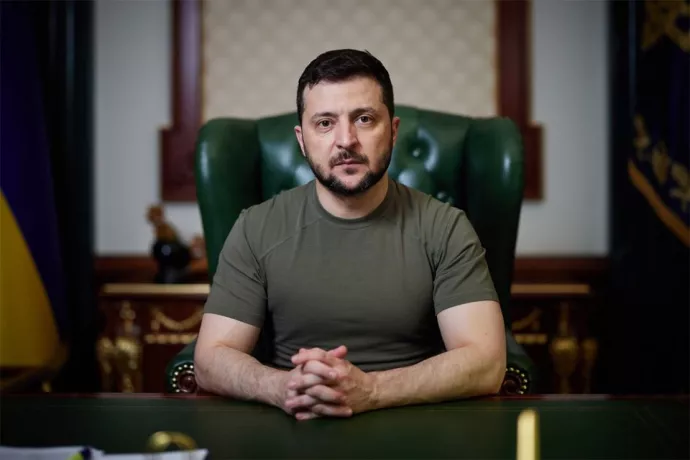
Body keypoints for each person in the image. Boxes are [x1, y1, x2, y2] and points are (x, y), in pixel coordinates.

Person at [194, 49, 506, 420]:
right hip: (291, 424)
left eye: (364, 119)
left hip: (414, 426)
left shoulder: (446, 227)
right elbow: (210, 359)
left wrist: (372, 391)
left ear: (392, 131)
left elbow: (487, 364)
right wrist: (281, 387)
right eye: (324, 123)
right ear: (302, 139)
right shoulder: (255, 227)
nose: (346, 140)